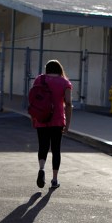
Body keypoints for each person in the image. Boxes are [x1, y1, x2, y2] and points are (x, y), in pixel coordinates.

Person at [31, 59, 72, 189]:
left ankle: (42, 169)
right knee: (56, 149)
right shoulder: (65, 83)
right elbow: (69, 104)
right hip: (58, 120)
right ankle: (54, 180)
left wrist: (33, 117)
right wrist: (68, 124)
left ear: (47, 69)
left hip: (41, 118)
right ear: (60, 69)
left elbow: (34, 99)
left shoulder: (39, 80)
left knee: (43, 146)